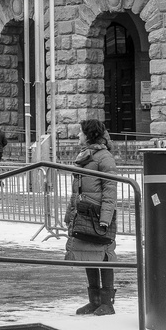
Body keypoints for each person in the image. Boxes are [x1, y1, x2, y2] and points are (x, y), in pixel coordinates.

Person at [64, 118, 119, 315]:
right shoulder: (85, 156)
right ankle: (94, 301)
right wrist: (70, 214)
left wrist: (105, 218)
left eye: (80, 132)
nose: (78, 135)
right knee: (87, 254)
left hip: (98, 217)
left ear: (89, 135)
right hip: (84, 213)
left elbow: (110, 191)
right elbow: (76, 191)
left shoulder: (104, 158)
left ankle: (108, 304)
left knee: (103, 257)